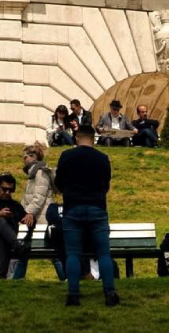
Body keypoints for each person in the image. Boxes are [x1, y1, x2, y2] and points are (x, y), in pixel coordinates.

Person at [55, 125, 119, 308]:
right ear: (94, 138)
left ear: (76, 138)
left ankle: (73, 295)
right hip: (97, 208)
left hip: (73, 208)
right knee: (103, 254)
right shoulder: (102, 158)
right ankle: (110, 293)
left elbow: (58, 183)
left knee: (73, 254)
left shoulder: (66, 156)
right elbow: (106, 185)